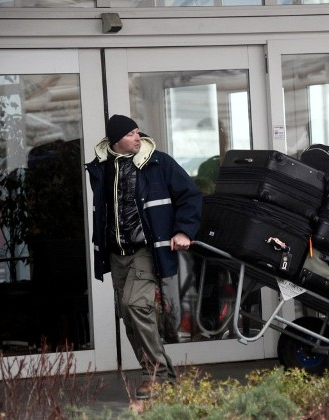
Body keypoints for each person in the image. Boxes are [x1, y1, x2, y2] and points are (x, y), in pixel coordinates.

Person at [86, 114, 203, 399]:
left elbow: (191, 195)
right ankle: (165, 375)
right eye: (131, 134)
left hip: (145, 250)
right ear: (117, 140)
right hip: (117, 253)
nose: (138, 138)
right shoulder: (102, 168)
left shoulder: (158, 162)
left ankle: (155, 374)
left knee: (136, 305)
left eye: (138, 132)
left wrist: (184, 231)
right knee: (128, 314)